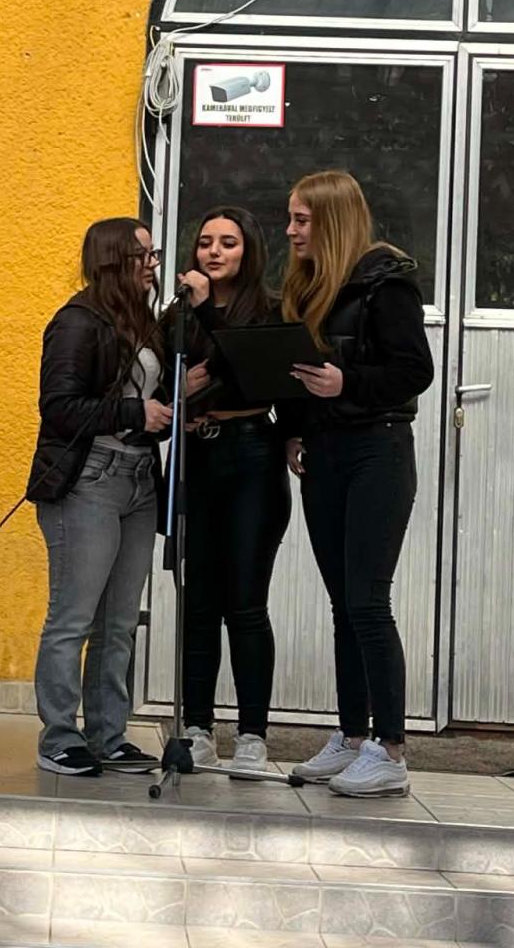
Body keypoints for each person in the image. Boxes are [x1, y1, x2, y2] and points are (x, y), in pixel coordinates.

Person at [281, 170, 434, 797]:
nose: (290, 231)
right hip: (325, 452)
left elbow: (415, 370)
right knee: (344, 603)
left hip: (378, 449)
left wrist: (349, 383)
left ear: (332, 220)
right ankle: (350, 738)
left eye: (301, 220)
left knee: (368, 601)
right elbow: (296, 370)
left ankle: (391, 750)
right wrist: (294, 431)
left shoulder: (386, 283)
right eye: (290, 219)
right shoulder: (310, 286)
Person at [27, 217, 172, 777]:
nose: (153, 264)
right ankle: (59, 736)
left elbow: (148, 392)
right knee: (73, 617)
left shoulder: (141, 320)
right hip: (88, 479)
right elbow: (59, 407)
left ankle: (108, 734)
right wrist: (136, 412)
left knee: (120, 621)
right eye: (144, 255)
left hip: (139, 477)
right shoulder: (76, 322)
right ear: (115, 260)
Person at [171, 206, 292, 775]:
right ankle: (197, 727)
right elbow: (162, 381)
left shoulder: (269, 309)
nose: (213, 252)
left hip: (251, 453)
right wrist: (178, 395)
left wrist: (206, 314)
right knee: (198, 600)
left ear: (249, 252)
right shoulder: (178, 313)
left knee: (244, 601)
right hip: (198, 453)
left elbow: (253, 372)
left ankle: (252, 735)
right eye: (205, 242)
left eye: (227, 243)